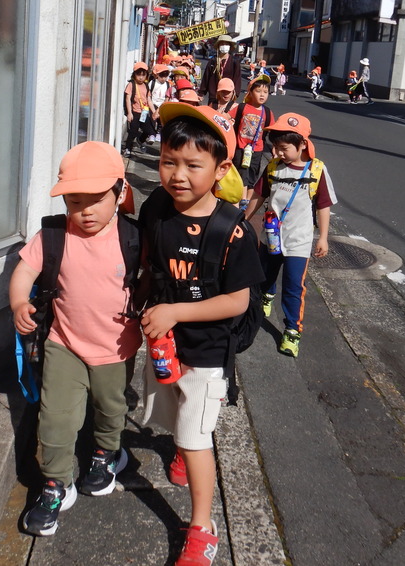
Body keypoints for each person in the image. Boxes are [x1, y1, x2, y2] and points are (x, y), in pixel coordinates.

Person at [139, 103, 265, 566]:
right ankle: (181, 453)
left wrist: (173, 311)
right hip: (165, 343)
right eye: (169, 161)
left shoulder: (232, 230)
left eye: (193, 165)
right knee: (172, 411)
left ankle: (201, 528)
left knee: (196, 438)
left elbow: (238, 301)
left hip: (210, 350)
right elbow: (148, 261)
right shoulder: (157, 207)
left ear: (221, 168)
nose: (178, 175)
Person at [10, 141, 142, 536]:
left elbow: (154, 281)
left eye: (96, 200)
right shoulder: (54, 235)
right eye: (73, 201)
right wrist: (18, 302)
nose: (84, 211)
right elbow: (24, 271)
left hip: (116, 348)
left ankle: (106, 453)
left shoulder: (133, 238)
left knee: (110, 407)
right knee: (56, 417)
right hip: (64, 343)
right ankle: (55, 483)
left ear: (119, 193)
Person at [244, 113, 337, 358]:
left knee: (294, 287)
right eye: (275, 148)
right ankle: (266, 296)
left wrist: (323, 237)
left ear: (302, 144)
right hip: (271, 237)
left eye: (284, 148)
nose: (277, 153)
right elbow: (258, 196)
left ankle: (291, 331)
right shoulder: (273, 168)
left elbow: (323, 206)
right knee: (264, 276)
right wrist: (241, 221)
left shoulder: (317, 170)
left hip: (299, 240)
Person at [228, 74, 274, 207]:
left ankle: (247, 199)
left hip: (257, 149)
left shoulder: (267, 112)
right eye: (258, 91)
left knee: (253, 173)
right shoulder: (242, 107)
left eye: (265, 92)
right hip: (241, 147)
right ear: (250, 92)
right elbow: (228, 118)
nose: (262, 95)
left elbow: (272, 130)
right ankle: (242, 198)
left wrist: (275, 149)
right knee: (242, 172)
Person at [199, 34, 242, 107]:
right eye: (222, 44)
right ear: (218, 46)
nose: (224, 45)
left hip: (228, 96)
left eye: (226, 44)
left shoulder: (234, 62)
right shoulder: (213, 61)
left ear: (230, 46)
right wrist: (201, 93)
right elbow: (206, 77)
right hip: (214, 95)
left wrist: (235, 93)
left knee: (226, 116)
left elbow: (237, 78)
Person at [123, 62, 153, 156]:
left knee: (149, 131)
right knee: (133, 132)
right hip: (134, 112)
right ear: (134, 74)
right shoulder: (131, 85)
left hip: (144, 112)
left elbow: (149, 99)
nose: (141, 77)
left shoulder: (146, 86)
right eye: (138, 75)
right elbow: (127, 99)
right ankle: (127, 148)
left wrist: (154, 111)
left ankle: (140, 140)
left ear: (146, 76)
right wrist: (129, 113)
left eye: (143, 75)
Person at [149, 63, 174, 143]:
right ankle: (152, 134)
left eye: (165, 76)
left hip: (163, 104)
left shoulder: (168, 84)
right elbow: (148, 95)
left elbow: (169, 96)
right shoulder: (152, 83)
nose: (163, 79)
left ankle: (159, 133)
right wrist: (153, 110)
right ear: (157, 75)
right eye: (161, 76)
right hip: (153, 104)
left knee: (161, 120)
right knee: (152, 119)